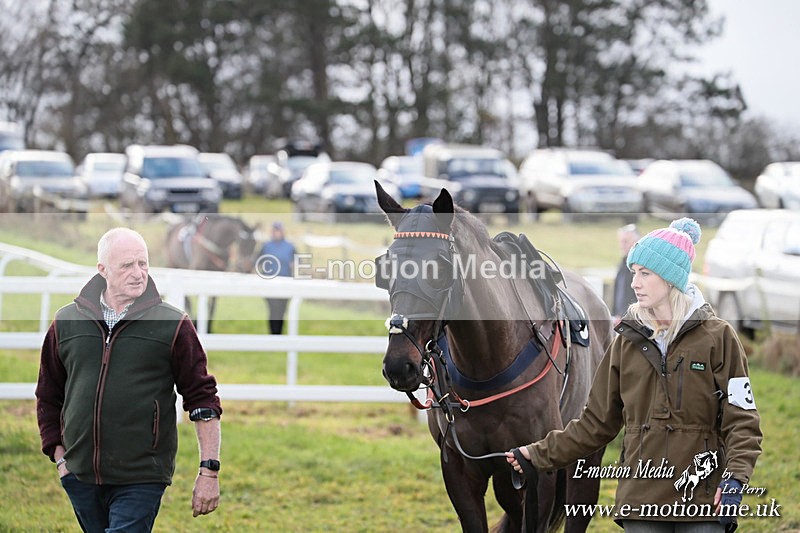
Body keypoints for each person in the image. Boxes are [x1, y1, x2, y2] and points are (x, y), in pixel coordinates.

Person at [506, 218, 762, 532]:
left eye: (645, 273)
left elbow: (743, 420)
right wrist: (537, 454)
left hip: (704, 505)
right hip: (641, 506)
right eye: (633, 273)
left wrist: (735, 477)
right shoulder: (625, 342)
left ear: (670, 279)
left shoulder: (719, 339)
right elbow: (594, 425)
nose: (634, 283)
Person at [36, 227, 222, 532]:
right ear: (103, 270)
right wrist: (60, 458)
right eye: (127, 266)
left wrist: (209, 471)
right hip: (79, 475)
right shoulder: (67, 321)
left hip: (142, 476)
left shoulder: (173, 325)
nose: (139, 274)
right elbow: (48, 394)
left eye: (143, 263)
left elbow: (203, 399)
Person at [257, 221, 296, 334]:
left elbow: (297, 262)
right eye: (275, 230)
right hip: (269, 284)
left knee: (282, 310)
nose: (277, 233)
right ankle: (273, 333)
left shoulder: (290, 247)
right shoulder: (266, 246)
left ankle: (278, 334)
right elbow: (257, 262)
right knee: (273, 309)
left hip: (285, 283)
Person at [612, 223, 640, 322]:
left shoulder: (639, 267)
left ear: (636, 242)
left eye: (625, 241)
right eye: (621, 242)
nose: (622, 245)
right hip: (619, 319)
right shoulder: (622, 264)